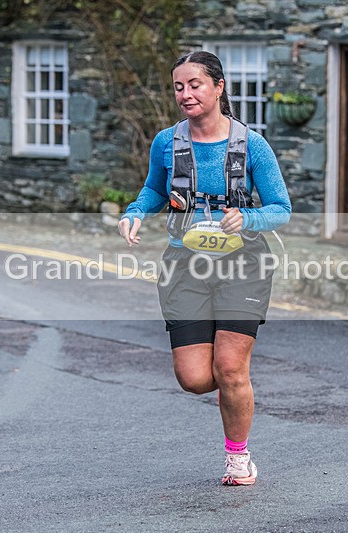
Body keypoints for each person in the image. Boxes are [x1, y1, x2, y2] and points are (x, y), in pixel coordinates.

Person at [118, 50, 291, 486]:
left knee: (231, 368)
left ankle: (238, 457)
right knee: (196, 378)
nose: (186, 94)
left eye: (195, 84)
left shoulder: (251, 144)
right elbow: (153, 191)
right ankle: (236, 389)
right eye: (179, 86)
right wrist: (135, 212)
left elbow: (281, 209)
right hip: (184, 264)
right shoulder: (166, 142)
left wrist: (247, 218)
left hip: (244, 263)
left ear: (218, 87)